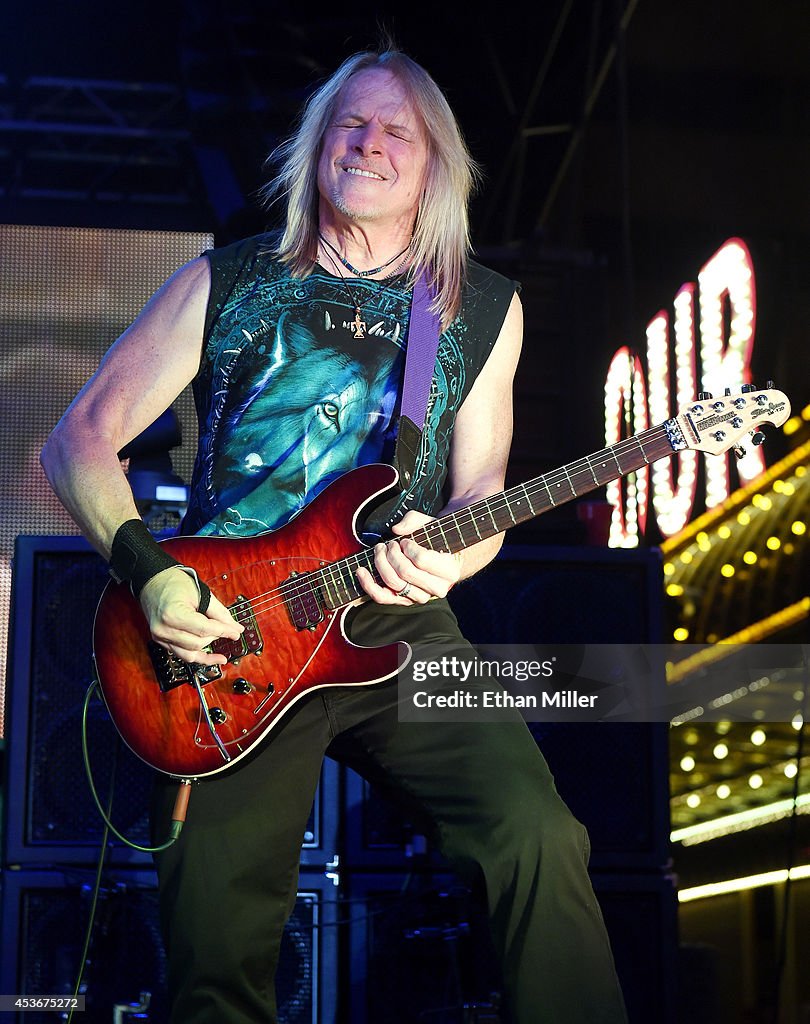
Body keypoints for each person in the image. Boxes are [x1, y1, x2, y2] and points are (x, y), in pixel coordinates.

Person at [41, 44, 628, 1024]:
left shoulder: (478, 306)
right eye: (350, 125)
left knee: (537, 835)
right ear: (317, 148)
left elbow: (482, 483)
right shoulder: (227, 280)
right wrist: (149, 577)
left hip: (399, 624)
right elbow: (79, 441)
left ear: (433, 165)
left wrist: (449, 551)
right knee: (215, 956)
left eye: (397, 129)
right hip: (233, 635)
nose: (370, 142)